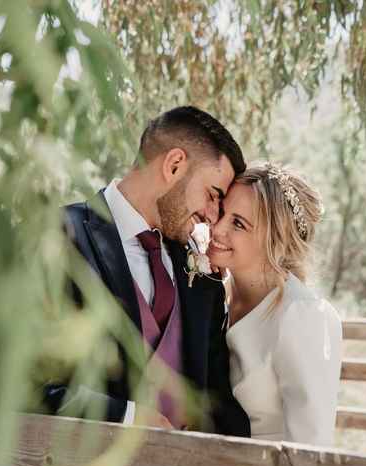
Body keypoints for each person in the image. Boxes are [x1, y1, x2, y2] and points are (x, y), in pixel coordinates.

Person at [39, 106, 250, 437]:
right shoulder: (56, 236)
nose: (212, 216)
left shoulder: (202, 277)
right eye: (213, 195)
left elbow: (218, 402)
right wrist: (128, 416)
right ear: (174, 165)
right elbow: (27, 384)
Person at [207, 164, 343, 446]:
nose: (217, 228)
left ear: (276, 240)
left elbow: (312, 445)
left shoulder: (303, 316)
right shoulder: (211, 295)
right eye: (221, 213)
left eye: (238, 224)